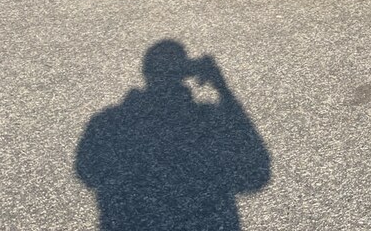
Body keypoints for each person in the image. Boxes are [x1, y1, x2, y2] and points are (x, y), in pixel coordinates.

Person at [75, 40, 271, 230]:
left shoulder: (108, 120)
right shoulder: (207, 118)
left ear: (146, 72)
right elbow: (255, 174)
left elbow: (87, 171)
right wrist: (222, 88)